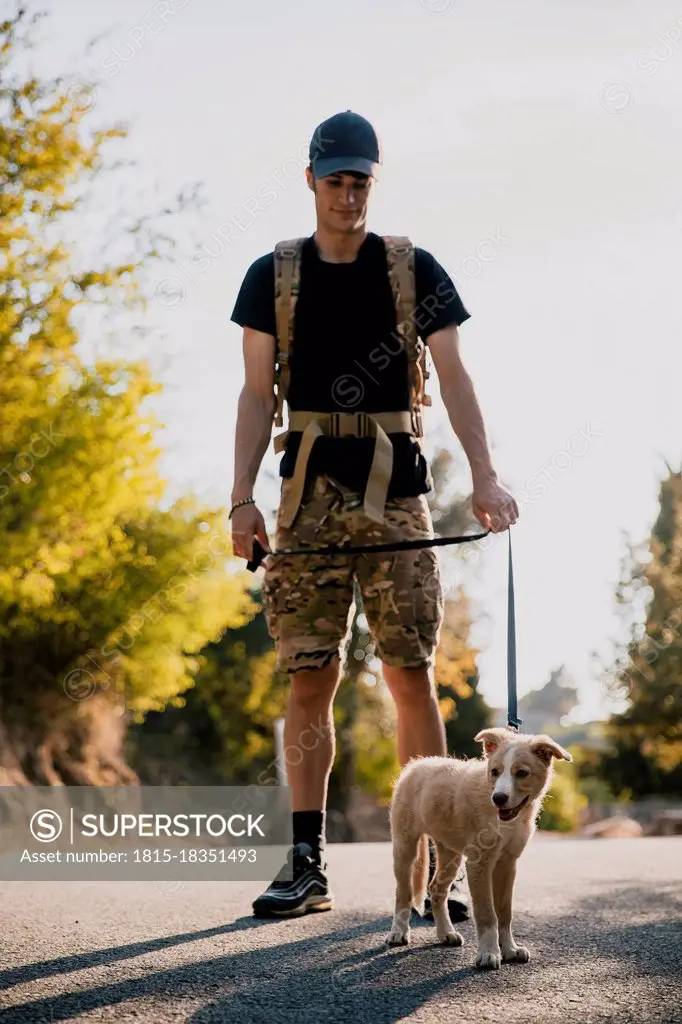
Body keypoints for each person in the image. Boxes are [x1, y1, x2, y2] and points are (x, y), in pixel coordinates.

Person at [229, 110, 518, 920]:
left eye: (361, 182)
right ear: (312, 179)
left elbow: (456, 378)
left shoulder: (414, 267)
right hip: (305, 499)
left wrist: (488, 478)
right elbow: (256, 395)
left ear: (373, 184)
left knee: (408, 673)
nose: (348, 195)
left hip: (398, 494)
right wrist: (241, 498)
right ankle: (306, 864)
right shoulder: (271, 275)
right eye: (335, 180)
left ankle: (435, 870)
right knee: (309, 675)